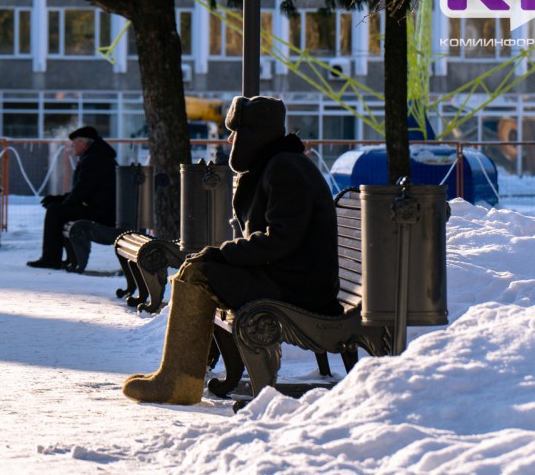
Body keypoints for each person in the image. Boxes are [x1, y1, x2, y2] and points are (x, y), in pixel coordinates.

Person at [122, 95, 340, 405]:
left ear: (254, 134)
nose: (229, 139)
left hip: (300, 286)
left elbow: (280, 239)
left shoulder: (284, 169)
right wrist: (223, 254)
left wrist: (223, 254)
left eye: (235, 132)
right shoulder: (278, 164)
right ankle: (179, 373)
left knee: (200, 273)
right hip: (291, 276)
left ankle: (178, 380)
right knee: (200, 267)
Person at [27, 126, 118, 269]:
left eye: (74, 143)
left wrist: (62, 202)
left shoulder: (94, 159)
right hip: (104, 211)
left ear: (83, 143)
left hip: (103, 215)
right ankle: (61, 258)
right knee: (58, 208)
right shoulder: (98, 156)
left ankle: (51, 258)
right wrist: (61, 199)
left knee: (55, 211)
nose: (72, 147)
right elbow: (84, 190)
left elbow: (83, 190)